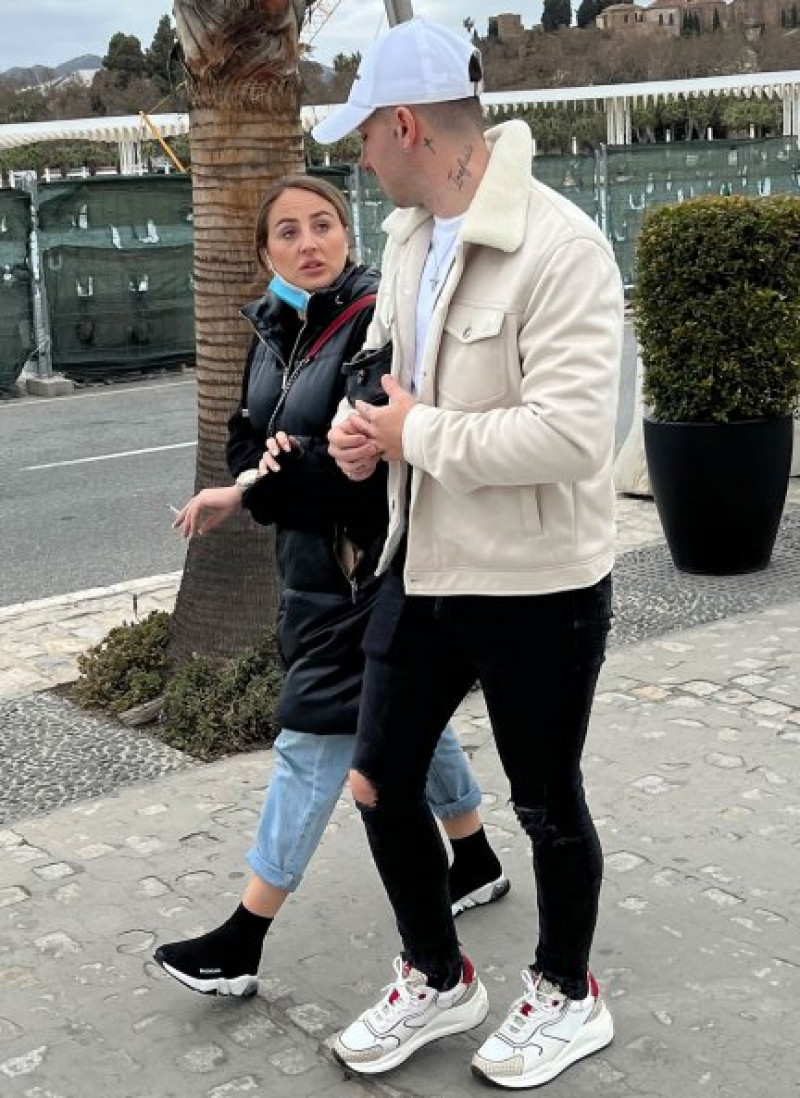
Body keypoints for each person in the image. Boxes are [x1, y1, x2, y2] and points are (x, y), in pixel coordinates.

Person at [317, 17, 623, 1090]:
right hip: (422, 558)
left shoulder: (558, 245)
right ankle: (437, 974)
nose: (355, 155)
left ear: (405, 125)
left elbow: (573, 436)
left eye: (362, 135)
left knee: (544, 804)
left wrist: (417, 436)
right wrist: (368, 436)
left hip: (538, 581)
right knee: (376, 781)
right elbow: (396, 376)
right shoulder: (408, 239)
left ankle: (566, 991)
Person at [152, 174, 509, 999]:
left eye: (323, 225)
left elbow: (355, 468)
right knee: (394, 721)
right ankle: (477, 855)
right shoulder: (274, 326)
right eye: (288, 232)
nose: (309, 243)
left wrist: (270, 480)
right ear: (265, 252)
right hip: (309, 570)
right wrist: (252, 478)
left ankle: (244, 936)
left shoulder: (372, 322)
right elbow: (249, 434)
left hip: (364, 568)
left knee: (314, 741)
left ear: (350, 234)